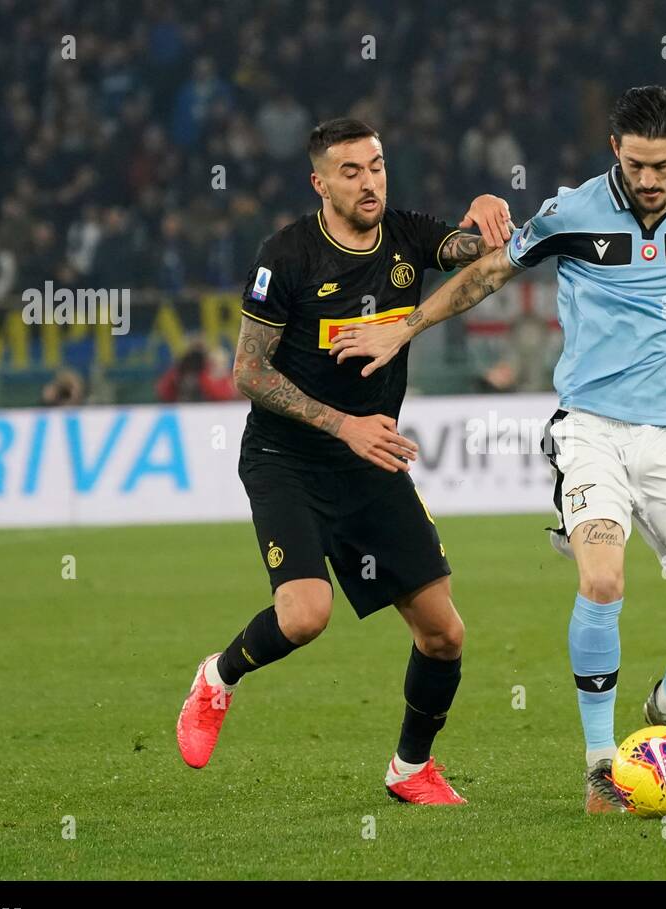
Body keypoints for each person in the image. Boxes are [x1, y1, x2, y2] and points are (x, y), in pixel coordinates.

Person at [331, 87, 666, 814]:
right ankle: (601, 766)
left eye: (660, 165)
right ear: (614, 152)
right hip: (589, 428)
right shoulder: (572, 214)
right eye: (634, 163)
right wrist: (403, 328)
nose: (648, 178)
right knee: (601, 579)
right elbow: (487, 274)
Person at [175, 118, 513, 805]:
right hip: (286, 458)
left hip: (369, 462)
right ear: (320, 182)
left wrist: (485, 216)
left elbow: (483, 260)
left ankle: (410, 767)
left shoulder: (412, 236)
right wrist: (343, 425)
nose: (369, 182)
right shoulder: (286, 257)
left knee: (444, 633)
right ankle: (218, 677)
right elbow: (249, 371)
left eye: (378, 166)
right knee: (304, 614)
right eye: (352, 171)